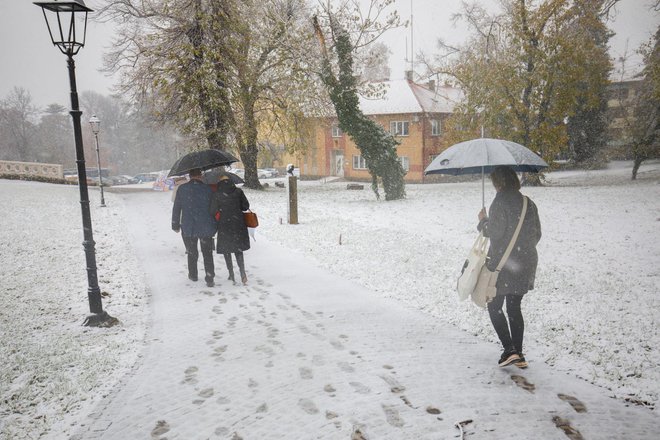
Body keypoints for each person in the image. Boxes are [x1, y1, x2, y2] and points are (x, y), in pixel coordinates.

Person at [477, 166, 542, 369]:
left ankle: (509, 350)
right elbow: (537, 234)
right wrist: (521, 250)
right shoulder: (528, 203)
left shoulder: (499, 202)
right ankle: (518, 354)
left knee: (494, 305)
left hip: (504, 264)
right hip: (526, 261)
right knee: (514, 306)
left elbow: (495, 233)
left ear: (499, 183)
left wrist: (483, 222)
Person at [172, 168, 217, 287]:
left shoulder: (182, 189)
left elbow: (177, 208)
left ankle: (193, 274)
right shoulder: (208, 189)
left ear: (190, 176)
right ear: (200, 175)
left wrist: (175, 224)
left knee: (192, 252)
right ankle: (210, 277)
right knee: (207, 253)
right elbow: (214, 208)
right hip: (206, 225)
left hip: (189, 225)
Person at [210, 174, 251, 284]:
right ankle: (242, 272)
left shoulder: (217, 194)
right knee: (238, 249)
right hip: (238, 224)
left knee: (226, 249)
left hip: (224, 225)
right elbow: (245, 206)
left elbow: (213, 211)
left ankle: (231, 274)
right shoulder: (238, 192)